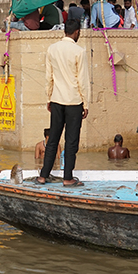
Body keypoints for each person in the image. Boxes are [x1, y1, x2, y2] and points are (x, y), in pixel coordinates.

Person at [37, 19, 89, 187]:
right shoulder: (79, 51)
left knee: (53, 139)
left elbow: (48, 77)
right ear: (76, 32)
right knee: (71, 140)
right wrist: (86, 103)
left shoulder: (52, 49)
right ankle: (68, 178)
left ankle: (43, 175)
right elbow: (83, 80)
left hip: (57, 100)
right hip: (74, 101)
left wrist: (48, 98)